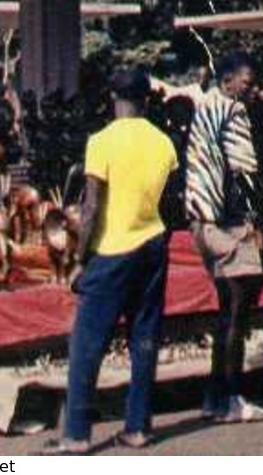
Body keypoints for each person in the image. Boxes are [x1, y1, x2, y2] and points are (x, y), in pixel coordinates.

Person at [49, 72, 175, 454]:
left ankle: (76, 435)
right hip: (153, 244)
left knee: (87, 344)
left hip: (111, 249)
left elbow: (90, 208)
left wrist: (79, 258)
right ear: (148, 100)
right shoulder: (163, 142)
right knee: (144, 339)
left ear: (111, 97)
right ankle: (138, 428)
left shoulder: (101, 141)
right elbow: (169, 201)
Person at [185, 52, 263, 423]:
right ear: (227, 81)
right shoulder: (233, 111)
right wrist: (258, 222)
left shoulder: (202, 107)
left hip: (201, 220)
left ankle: (215, 397)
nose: (253, 90)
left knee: (226, 312)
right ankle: (233, 400)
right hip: (231, 223)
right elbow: (244, 168)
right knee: (239, 312)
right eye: (248, 82)